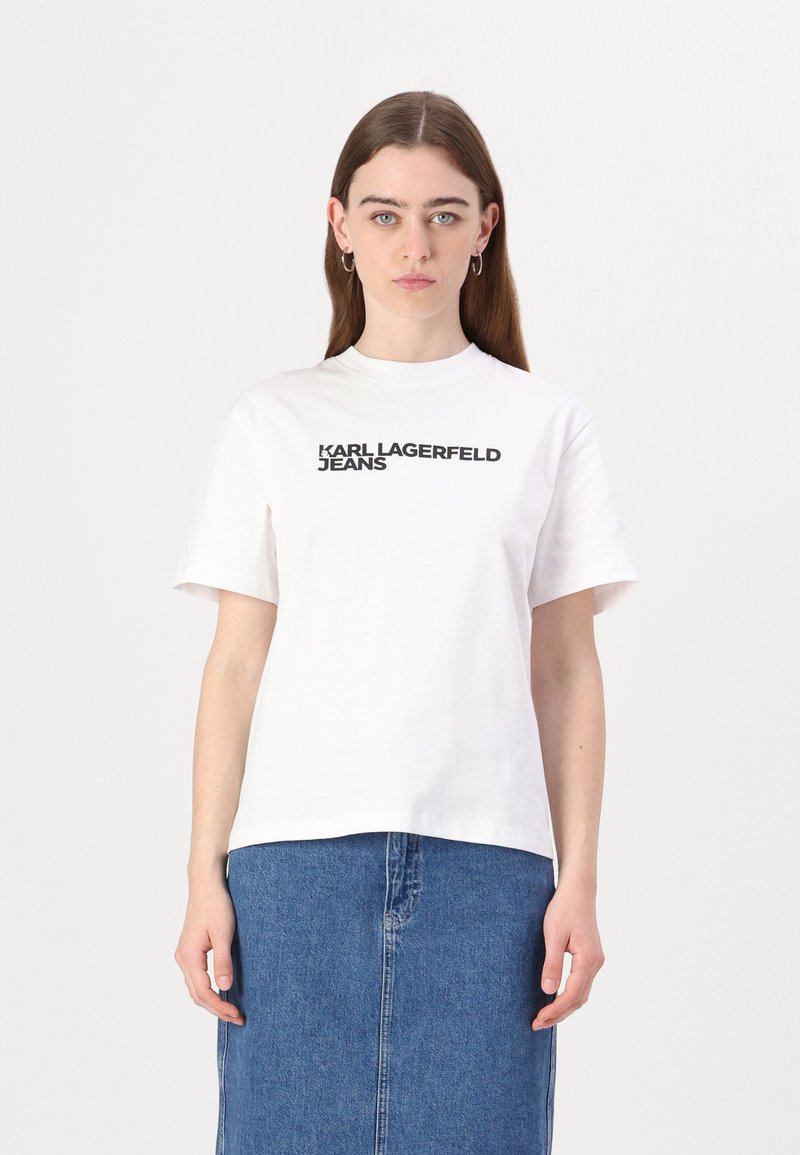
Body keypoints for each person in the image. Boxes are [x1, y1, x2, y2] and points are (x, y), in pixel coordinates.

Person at [172, 90, 638, 1155]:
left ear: (485, 228)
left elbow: (566, 669)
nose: (413, 245)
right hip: (293, 869)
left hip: (490, 872)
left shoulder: (543, 422)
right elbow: (235, 663)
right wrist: (204, 873)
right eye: (384, 214)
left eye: (442, 214)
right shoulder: (275, 418)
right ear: (340, 226)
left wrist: (579, 877)